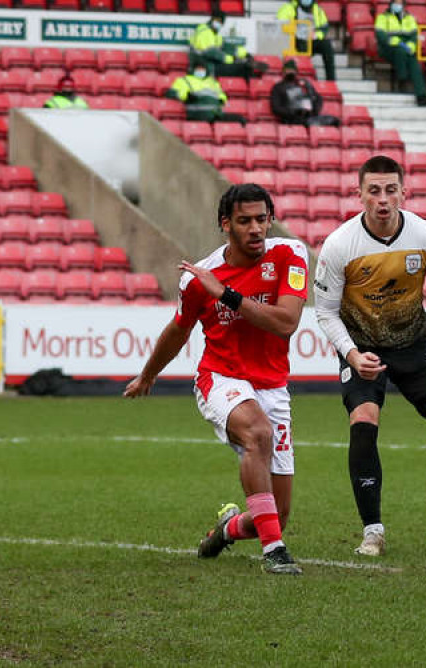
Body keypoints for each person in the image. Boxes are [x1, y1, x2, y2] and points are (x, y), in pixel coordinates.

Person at [124, 183, 311, 575]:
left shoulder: (290, 254)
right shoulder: (199, 277)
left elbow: (287, 323)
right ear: (226, 224)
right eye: (245, 221)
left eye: (262, 219)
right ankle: (275, 552)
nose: (256, 228)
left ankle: (228, 528)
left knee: (276, 513)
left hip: (272, 384)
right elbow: (178, 330)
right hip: (221, 377)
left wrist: (226, 295)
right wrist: (147, 374)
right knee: (256, 433)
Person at [313, 155, 426, 557]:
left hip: (413, 345)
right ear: (359, 194)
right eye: (374, 191)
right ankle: (372, 531)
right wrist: (351, 354)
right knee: (365, 418)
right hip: (362, 348)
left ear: (403, 192)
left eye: (390, 190)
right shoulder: (340, 245)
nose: (383, 199)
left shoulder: (425, 235)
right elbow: (325, 311)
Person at [374, 0, 426, 106]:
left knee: (414, 61)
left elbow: (413, 35)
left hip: (404, 47)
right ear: (391, 4)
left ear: (403, 5)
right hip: (388, 48)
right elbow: (380, 35)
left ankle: (421, 96)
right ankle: (402, 77)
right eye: (396, 3)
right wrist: (392, 41)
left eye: (400, 3)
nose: (397, 5)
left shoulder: (409, 18)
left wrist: (412, 46)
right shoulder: (383, 17)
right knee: (402, 52)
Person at [189, 11, 267, 80]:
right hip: (206, 67)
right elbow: (211, 53)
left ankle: (251, 72)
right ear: (212, 19)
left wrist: (244, 54)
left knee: (242, 66)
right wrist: (231, 59)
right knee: (242, 68)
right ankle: (252, 76)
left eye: (221, 22)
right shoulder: (204, 32)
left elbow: (225, 47)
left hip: (214, 64)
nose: (219, 23)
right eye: (217, 21)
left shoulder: (215, 35)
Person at [166, 65, 247, 125]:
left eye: (203, 69)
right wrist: (187, 96)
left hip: (215, 114)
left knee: (240, 119)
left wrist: (222, 99)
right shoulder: (184, 80)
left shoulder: (212, 81)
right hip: (198, 114)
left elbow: (221, 94)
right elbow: (171, 93)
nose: (201, 71)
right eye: (199, 69)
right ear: (193, 69)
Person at [276, 0, 336, 81]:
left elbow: (324, 28)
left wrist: (316, 35)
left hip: (310, 41)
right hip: (294, 42)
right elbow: (280, 24)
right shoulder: (288, 8)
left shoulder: (318, 10)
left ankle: (331, 81)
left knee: (326, 45)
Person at [269, 59, 340, 127]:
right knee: (310, 122)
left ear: (296, 72)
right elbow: (276, 108)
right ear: (283, 72)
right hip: (291, 119)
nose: (290, 71)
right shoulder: (278, 87)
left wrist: (314, 109)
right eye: (287, 70)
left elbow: (317, 98)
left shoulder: (304, 84)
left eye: (292, 70)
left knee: (334, 121)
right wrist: (293, 112)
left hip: (309, 116)